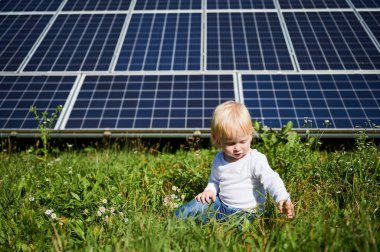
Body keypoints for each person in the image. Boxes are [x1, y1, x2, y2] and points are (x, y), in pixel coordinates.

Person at [175, 101, 294, 224]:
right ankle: (172, 223)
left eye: (242, 141)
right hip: (221, 206)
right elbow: (214, 181)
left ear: (250, 134)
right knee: (197, 205)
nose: (237, 148)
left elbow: (271, 179)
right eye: (230, 143)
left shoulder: (255, 159)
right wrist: (210, 190)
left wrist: (282, 198)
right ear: (218, 140)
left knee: (239, 228)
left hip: (248, 213)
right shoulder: (219, 159)